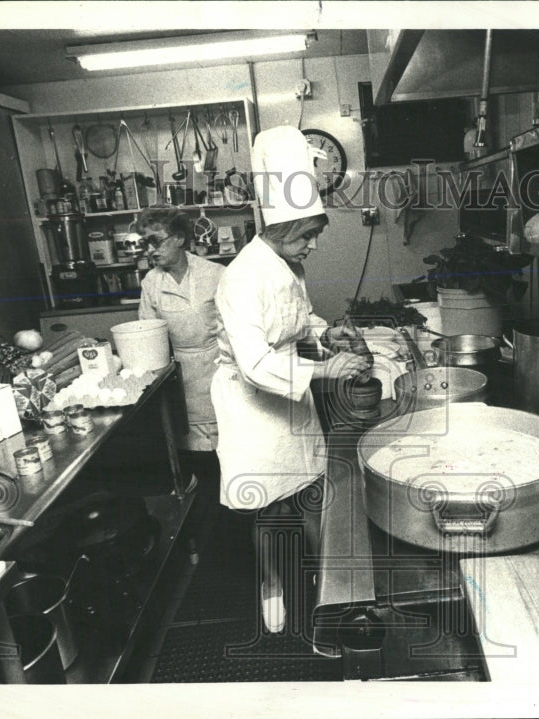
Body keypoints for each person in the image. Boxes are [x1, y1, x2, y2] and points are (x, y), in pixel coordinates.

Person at [211, 125, 370, 633]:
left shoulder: (288, 265)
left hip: (292, 394)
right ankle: (271, 584)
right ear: (282, 230)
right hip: (253, 405)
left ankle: (331, 588)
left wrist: (328, 336)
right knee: (266, 504)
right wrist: (325, 369)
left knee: (311, 489)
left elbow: (298, 322)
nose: (314, 247)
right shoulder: (240, 278)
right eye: (308, 236)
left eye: (315, 236)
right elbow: (257, 362)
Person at [135, 206, 224, 505]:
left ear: (179, 238)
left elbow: (234, 328)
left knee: (227, 451)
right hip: (181, 376)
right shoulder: (151, 283)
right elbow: (147, 334)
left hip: (218, 367)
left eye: (155, 241)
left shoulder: (215, 274)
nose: (150, 250)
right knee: (197, 458)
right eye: (144, 242)